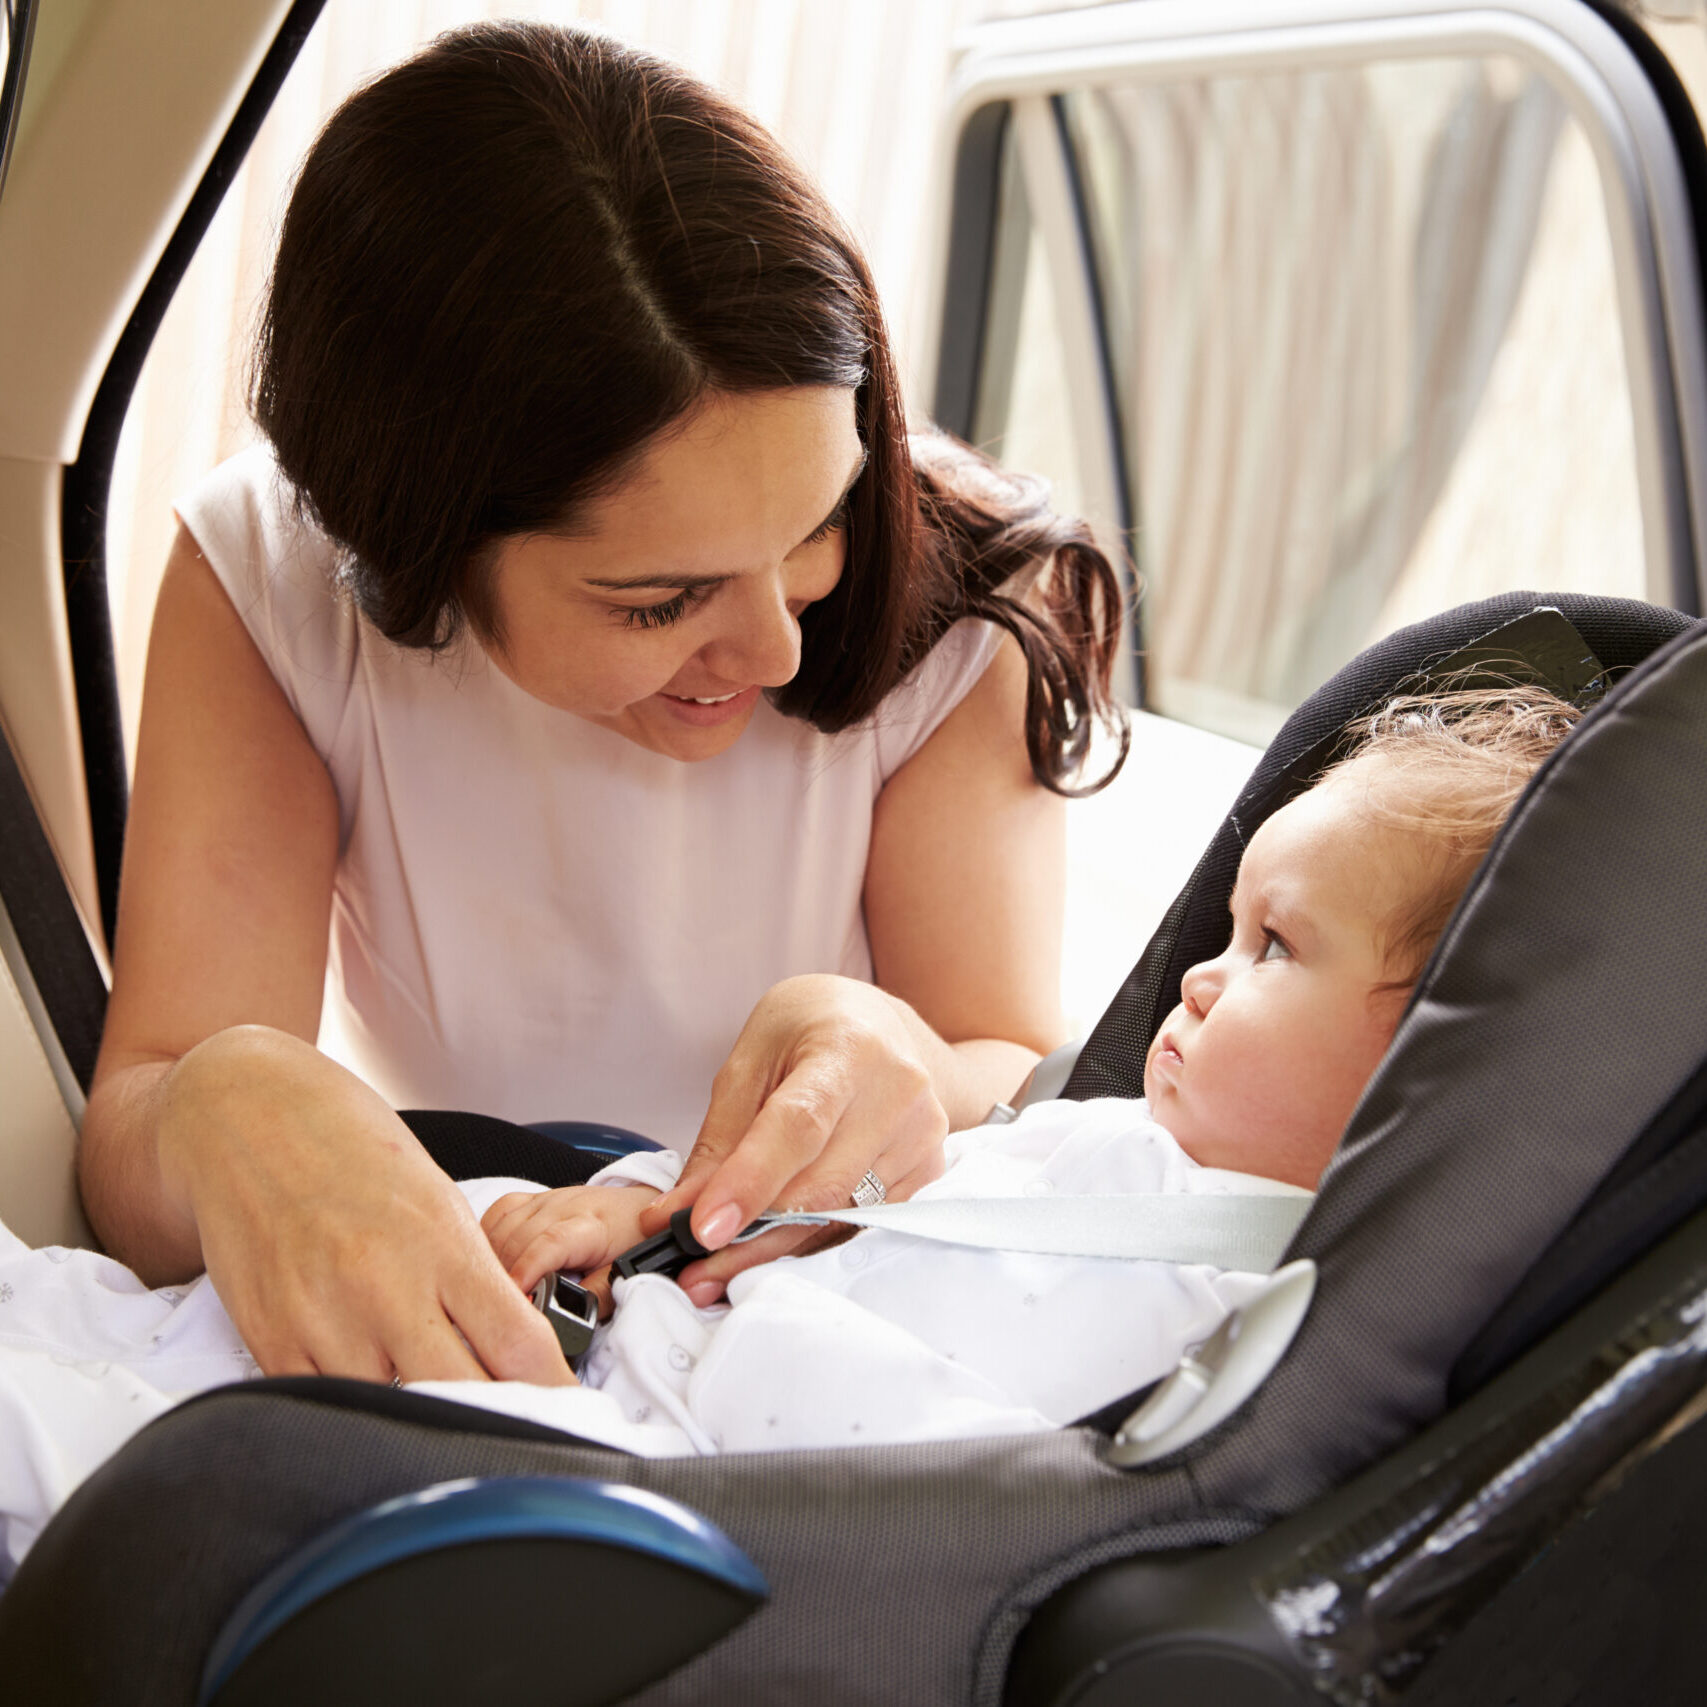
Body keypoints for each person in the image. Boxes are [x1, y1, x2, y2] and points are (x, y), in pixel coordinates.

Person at [75, 22, 1128, 1393]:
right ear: (417, 547)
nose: (770, 647)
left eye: (816, 526)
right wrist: (231, 1106)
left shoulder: (963, 590)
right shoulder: (271, 580)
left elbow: (1006, 1062)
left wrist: (904, 1061)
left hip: (808, 1309)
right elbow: (143, 1117)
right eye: (658, 601)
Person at [0, 684, 1579, 1564]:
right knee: (81, 1316)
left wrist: (709, 1300)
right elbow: (872, 1226)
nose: (1197, 984)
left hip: (641, 1473)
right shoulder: (1112, 1162)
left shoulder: (1218, 1300)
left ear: (1438, 1063)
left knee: (87, 1434)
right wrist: (642, 1220)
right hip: (614, 1352)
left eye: (1278, 951)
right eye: (1224, 932)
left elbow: (919, 1471)